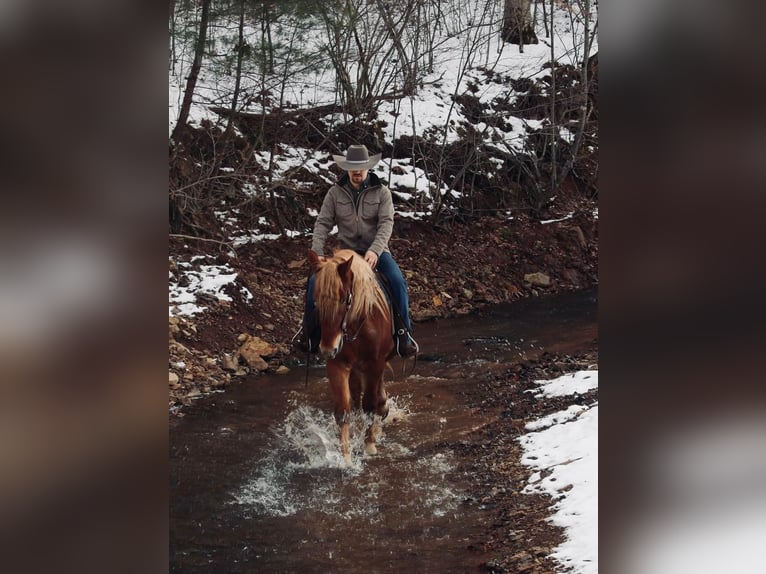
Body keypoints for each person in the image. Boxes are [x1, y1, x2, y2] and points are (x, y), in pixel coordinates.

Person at [293, 144, 419, 357]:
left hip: (376, 251)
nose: (357, 171)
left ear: (368, 168)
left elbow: (386, 224)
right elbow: (323, 223)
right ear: (347, 169)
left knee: (397, 281)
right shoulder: (335, 193)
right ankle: (309, 335)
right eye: (353, 167)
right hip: (346, 254)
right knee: (315, 283)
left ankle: (403, 336)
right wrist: (318, 251)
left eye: (361, 167)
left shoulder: (382, 192)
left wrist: (375, 251)